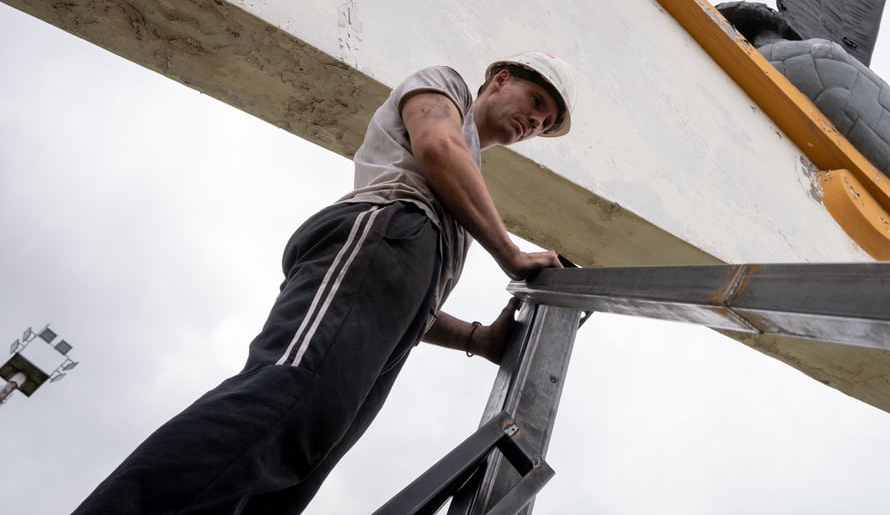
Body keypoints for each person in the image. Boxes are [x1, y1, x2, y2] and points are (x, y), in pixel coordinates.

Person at [74, 52, 577, 515]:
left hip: (403, 280)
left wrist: (476, 338)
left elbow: (406, 306)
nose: (536, 121)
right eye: (537, 102)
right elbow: (437, 146)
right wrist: (510, 252)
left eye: (546, 122)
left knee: (303, 466)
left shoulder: (470, 177)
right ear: (501, 79)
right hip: (386, 231)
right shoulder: (445, 91)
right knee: (286, 407)